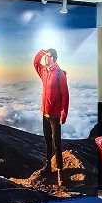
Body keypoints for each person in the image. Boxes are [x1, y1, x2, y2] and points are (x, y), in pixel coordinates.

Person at [34, 48, 69, 186]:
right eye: (45, 57)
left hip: (55, 115)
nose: (45, 59)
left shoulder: (60, 74)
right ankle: (48, 166)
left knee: (57, 144)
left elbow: (65, 95)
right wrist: (41, 53)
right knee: (48, 141)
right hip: (45, 114)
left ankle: (60, 171)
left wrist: (64, 114)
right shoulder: (44, 71)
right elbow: (35, 63)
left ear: (53, 58)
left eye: (48, 56)